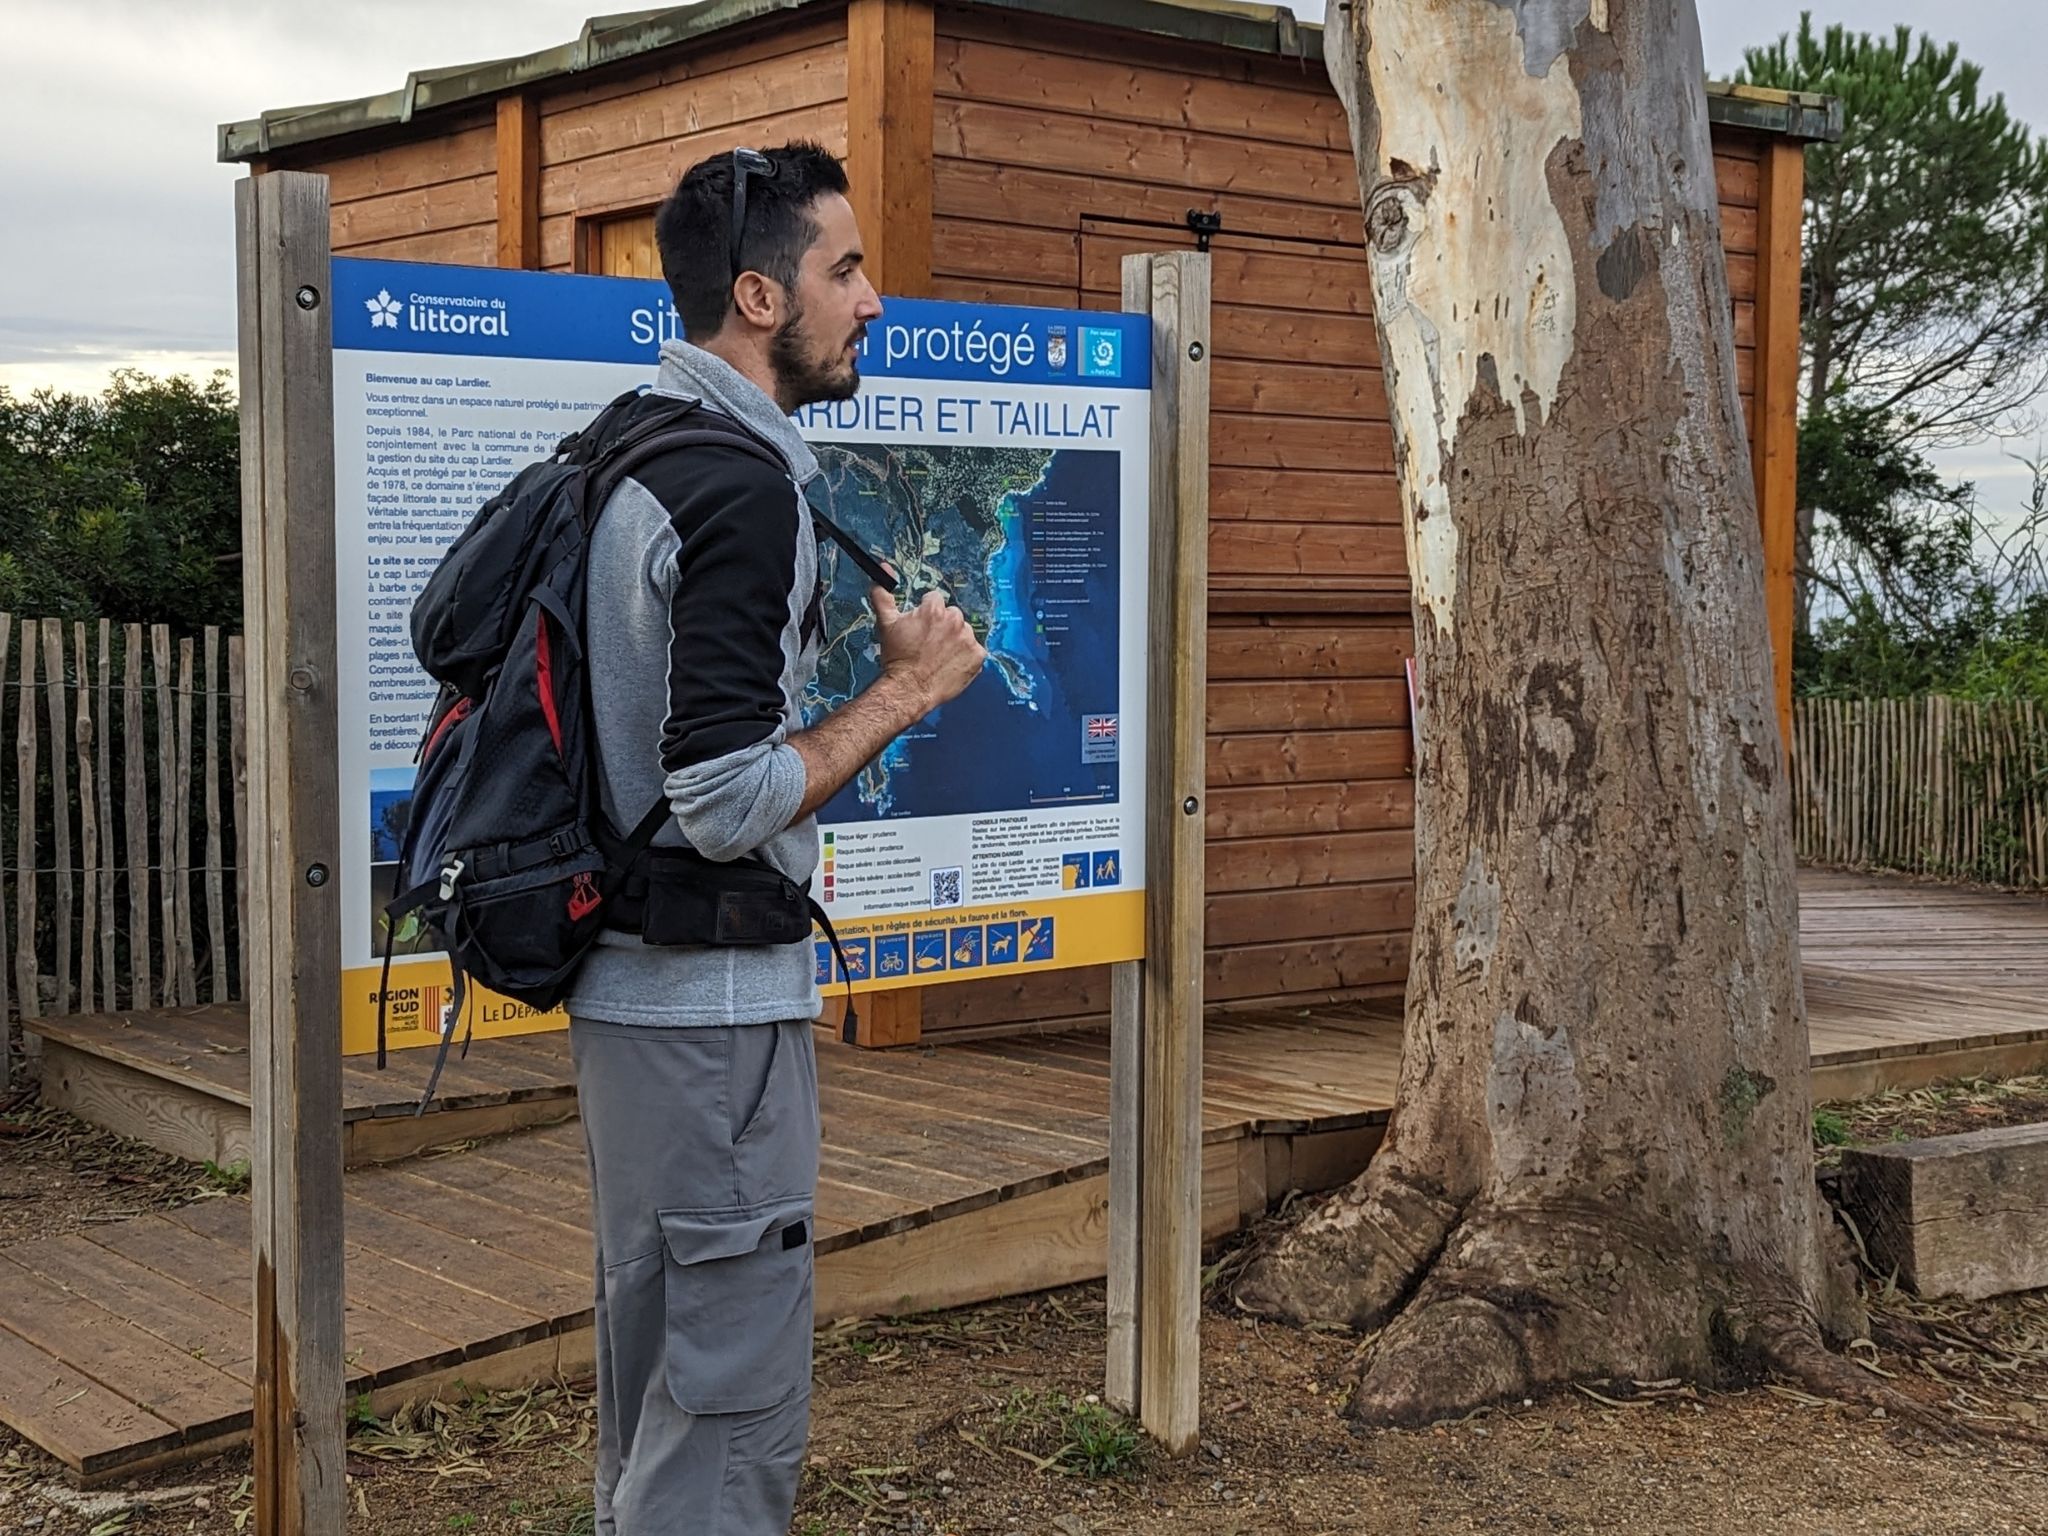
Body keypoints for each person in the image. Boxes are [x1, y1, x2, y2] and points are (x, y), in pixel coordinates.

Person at [566, 141, 986, 1534]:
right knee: (725, 1413)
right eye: (845, 270)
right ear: (759, 296)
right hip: (709, 1022)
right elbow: (724, 797)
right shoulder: (736, 489)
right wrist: (905, 693)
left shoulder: (628, 444)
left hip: (636, 1008)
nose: (873, 300)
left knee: (665, 1387)